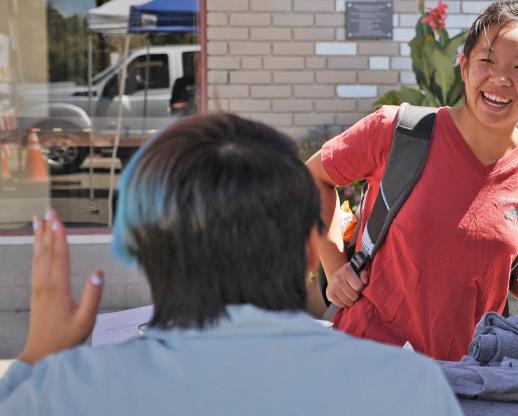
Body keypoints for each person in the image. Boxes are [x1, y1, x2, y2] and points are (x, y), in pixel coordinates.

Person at [0, 113, 462, 415]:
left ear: (145, 250)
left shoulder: (68, 393)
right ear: (308, 247)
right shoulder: (410, 391)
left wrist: (34, 360)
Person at [306, 0, 518, 362]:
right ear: (463, 66)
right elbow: (311, 178)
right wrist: (334, 269)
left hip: (470, 377)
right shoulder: (399, 131)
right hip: (369, 360)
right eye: (487, 61)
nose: (500, 78)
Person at [169, 52, 197, 116]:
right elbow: (174, 104)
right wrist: (188, 104)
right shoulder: (180, 82)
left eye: (194, 65)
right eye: (189, 65)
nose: (192, 68)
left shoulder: (203, 81)